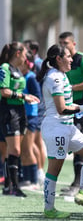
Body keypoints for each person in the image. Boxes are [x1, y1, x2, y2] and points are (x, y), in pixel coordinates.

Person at [37, 44, 83, 219]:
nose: (72, 59)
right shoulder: (54, 78)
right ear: (58, 59)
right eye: (68, 56)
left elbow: (72, 99)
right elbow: (62, 109)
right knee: (54, 169)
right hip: (56, 128)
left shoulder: (61, 75)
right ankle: (49, 209)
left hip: (67, 127)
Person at [0, 42, 40, 197]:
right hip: (8, 110)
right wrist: (24, 96)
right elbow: (4, 91)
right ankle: (14, 186)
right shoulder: (4, 68)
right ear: (17, 53)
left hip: (20, 110)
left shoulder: (18, 70)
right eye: (24, 53)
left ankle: (9, 185)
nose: (26, 56)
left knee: (15, 150)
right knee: (14, 149)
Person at [59, 32, 83, 196]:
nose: (63, 45)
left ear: (74, 43)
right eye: (60, 43)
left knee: (80, 143)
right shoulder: (60, 61)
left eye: (66, 42)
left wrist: (72, 88)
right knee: (71, 144)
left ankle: (80, 185)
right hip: (68, 106)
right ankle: (77, 183)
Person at [20, 50, 42, 189]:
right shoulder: (21, 76)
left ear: (27, 64)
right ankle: (27, 179)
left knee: (28, 148)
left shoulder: (31, 77)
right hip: (23, 116)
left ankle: (33, 180)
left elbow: (37, 96)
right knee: (23, 149)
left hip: (31, 117)